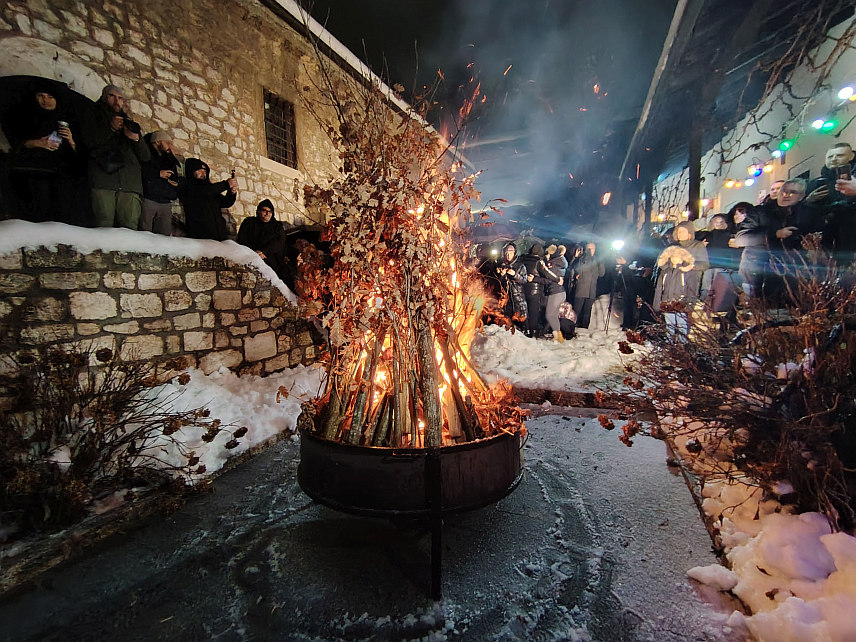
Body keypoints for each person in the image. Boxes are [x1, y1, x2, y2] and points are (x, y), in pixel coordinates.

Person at [733, 178, 820, 302]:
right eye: (783, 191)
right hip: (757, 270)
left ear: (801, 196)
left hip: (791, 272)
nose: (785, 195)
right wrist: (775, 234)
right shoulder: (760, 212)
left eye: (792, 192)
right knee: (756, 310)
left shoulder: (808, 213)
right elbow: (741, 238)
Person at [6, 84, 81, 224]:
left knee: (61, 214)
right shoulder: (25, 116)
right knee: (37, 213)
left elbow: (80, 151)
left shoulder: (68, 120)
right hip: (34, 171)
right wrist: (38, 143)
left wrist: (71, 140)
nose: (45, 100)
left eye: (50, 97)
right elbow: (16, 141)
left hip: (62, 174)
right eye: (41, 96)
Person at [81, 84, 150, 229]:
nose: (116, 101)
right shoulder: (92, 116)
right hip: (104, 180)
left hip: (129, 183)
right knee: (103, 225)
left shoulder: (129, 123)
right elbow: (88, 143)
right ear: (104, 97)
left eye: (120, 98)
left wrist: (136, 139)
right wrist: (111, 129)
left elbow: (145, 156)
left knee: (129, 226)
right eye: (111, 96)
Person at [180, 158, 237, 240]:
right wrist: (226, 184)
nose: (203, 173)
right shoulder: (188, 187)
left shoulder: (210, 190)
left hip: (218, 235)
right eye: (199, 170)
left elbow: (225, 203)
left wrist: (231, 193)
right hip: (200, 235)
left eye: (204, 170)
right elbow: (204, 191)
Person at [140, 130, 181, 235]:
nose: (170, 146)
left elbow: (175, 177)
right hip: (149, 198)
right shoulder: (146, 154)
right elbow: (141, 171)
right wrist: (158, 174)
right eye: (167, 143)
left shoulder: (169, 159)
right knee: (145, 232)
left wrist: (174, 187)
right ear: (157, 142)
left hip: (165, 200)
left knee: (164, 235)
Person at [237, 199, 290, 278]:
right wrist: (254, 253)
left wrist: (264, 252)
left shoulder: (276, 227)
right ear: (258, 211)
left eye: (270, 211)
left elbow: (279, 243)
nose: (267, 214)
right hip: (250, 256)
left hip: (271, 260)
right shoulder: (249, 223)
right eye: (264, 210)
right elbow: (242, 239)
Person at [493, 242, 528, 329]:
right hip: (506, 300)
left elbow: (524, 280)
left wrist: (515, 275)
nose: (508, 255)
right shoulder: (501, 265)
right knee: (507, 324)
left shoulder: (520, 266)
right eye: (507, 253)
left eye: (511, 252)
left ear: (515, 253)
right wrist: (501, 275)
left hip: (518, 299)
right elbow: (498, 283)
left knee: (520, 323)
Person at [520, 243, 550, 337]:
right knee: (533, 314)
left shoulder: (523, 260)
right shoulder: (539, 262)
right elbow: (548, 279)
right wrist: (535, 279)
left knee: (525, 313)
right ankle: (531, 334)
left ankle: (524, 331)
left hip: (523, 290)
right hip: (535, 292)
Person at [573, 242, 605, 329]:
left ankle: (584, 329)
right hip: (581, 289)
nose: (590, 251)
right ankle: (571, 327)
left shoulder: (597, 261)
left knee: (587, 311)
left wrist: (601, 263)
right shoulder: (581, 259)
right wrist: (578, 257)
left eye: (592, 249)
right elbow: (576, 269)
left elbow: (601, 274)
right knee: (577, 310)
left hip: (591, 290)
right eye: (588, 249)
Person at [543, 244, 568, 342]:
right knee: (554, 315)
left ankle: (558, 337)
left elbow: (548, 279)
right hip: (560, 292)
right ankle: (558, 336)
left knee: (549, 315)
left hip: (555, 293)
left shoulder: (553, 266)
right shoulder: (560, 262)